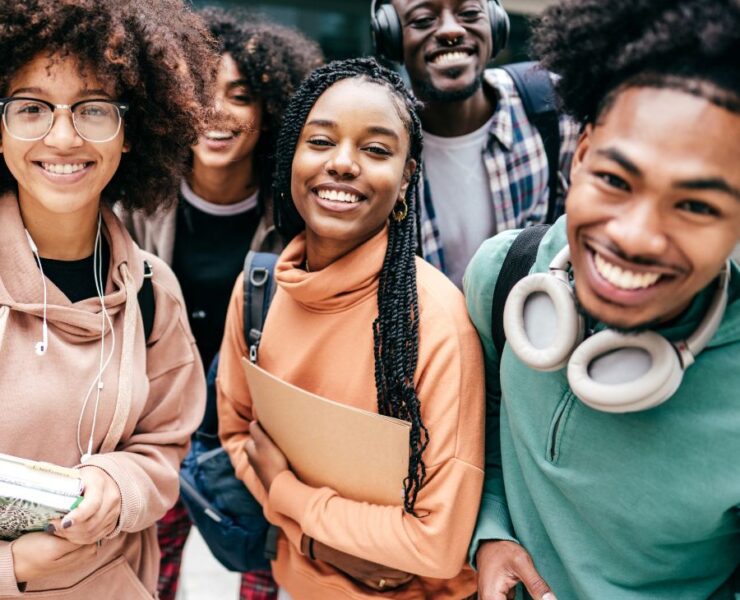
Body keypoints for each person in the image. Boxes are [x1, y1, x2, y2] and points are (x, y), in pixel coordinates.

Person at [464, 0, 740, 598]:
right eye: (615, 180)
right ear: (582, 153)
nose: (634, 236)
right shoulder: (502, 274)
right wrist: (489, 530)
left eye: (696, 205)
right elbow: (476, 417)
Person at [217, 57, 485, 599]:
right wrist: (320, 546)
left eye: (376, 149)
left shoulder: (434, 325)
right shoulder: (259, 291)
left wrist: (290, 498)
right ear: (291, 154)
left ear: (407, 176)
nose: (342, 164)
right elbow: (237, 434)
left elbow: (436, 545)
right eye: (320, 142)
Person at [0, 0, 213, 596]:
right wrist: (11, 568)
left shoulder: (150, 289)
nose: (63, 136)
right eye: (31, 107)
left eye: (93, 109)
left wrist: (118, 485)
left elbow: (164, 446)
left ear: (132, 133)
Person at [119, 9, 323, 599]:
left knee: (259, 578)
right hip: (155, 426)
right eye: (201, 90)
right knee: (148, 577)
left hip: (250, 436)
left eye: (241, 95)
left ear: (270, 112)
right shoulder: (137, 197)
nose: (218, 110)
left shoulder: (295, 213)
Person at [371, 0, 580, 287]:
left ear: (494, 24)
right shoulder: (379, 145)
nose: (450, 30)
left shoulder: (555, 107)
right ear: (391, 37)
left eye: (469, 13)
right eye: (423, 19)